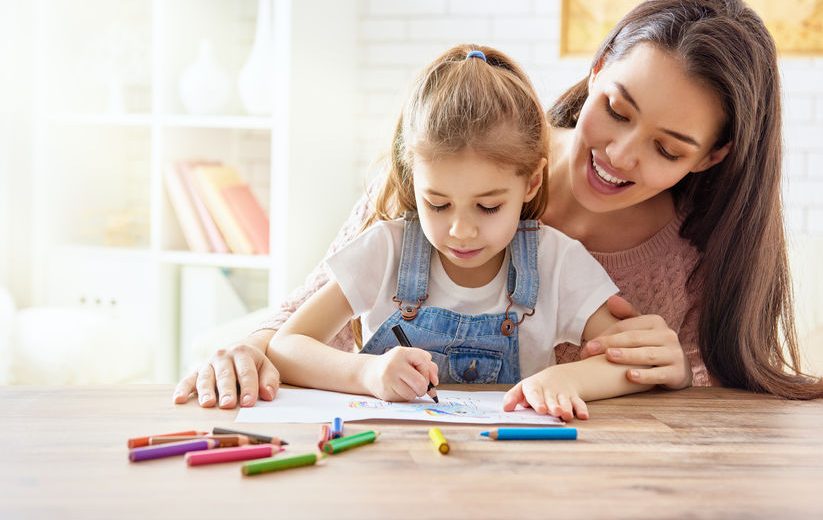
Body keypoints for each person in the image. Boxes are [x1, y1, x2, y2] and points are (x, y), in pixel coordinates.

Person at [174, 0, 823, 409]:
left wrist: (675, 372)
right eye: (616, 110)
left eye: (667, 148)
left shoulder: (691, 253)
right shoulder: (463, 152)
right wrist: (253, 347)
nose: (621, 154)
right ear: (596, 69)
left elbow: (698, 402)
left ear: (710, 156)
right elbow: (301, 320)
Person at [262, 45, 656, 420]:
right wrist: (366, 373)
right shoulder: (387, 251)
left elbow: (633, 363)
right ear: (412, 180)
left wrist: (567, 378)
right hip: (390, 464)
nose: (461, 231)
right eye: (437, 204)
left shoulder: (555, 261)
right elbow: (286, 347)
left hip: (511, 463)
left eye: (488, 207)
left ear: (532, 182)